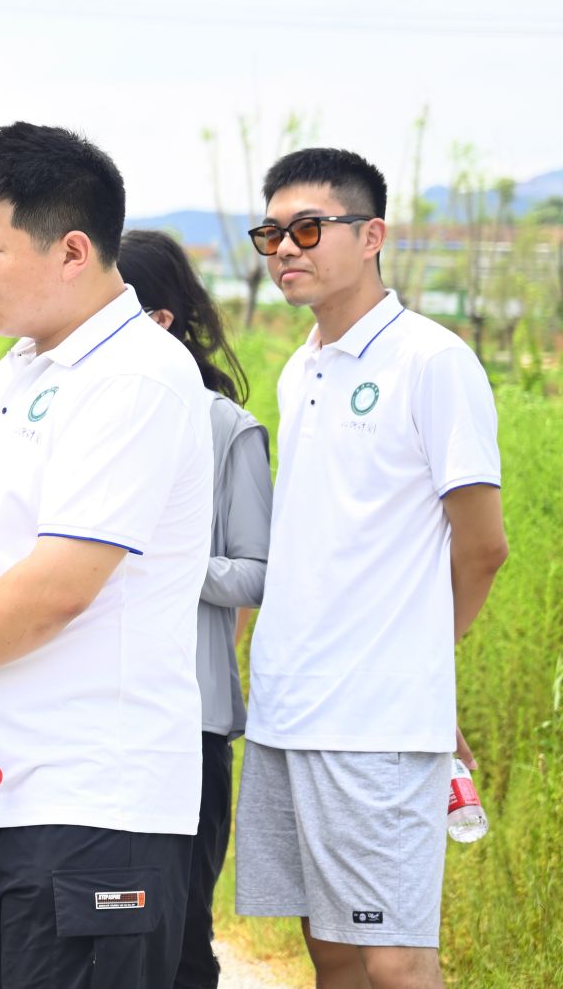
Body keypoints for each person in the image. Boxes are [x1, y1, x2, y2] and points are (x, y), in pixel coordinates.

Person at [0, 121, 212, 989]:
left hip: (92, 806)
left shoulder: (138, 375)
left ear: (73, 250)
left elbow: (59, 585)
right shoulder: (20, 369)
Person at [235, 148, 508, 989]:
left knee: (394, 959)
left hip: (376, 716)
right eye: (272, 232)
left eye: (309, 228)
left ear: (373, 235)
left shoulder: (431, 360)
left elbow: (483, 544)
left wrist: (424, 671)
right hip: (288, 708)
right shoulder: (300, 367)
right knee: (333, 951)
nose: (287, 248)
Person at [119, 229, 271, 989]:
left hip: (191, 721)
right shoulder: (82, 417)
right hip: (99, 720)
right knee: (106, 929)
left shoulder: (225, 429)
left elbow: (257, 574)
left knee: (179, 939)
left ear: (160, 320)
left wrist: (157, 554)